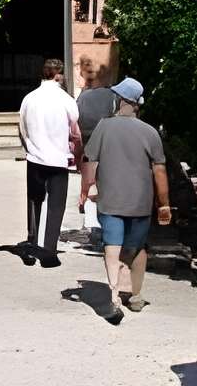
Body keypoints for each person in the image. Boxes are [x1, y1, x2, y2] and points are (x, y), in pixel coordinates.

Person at [77, 76, 168, 322]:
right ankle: (135, 296)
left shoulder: (103, 127)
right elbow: (160, 171)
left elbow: (89, 160)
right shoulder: (150, 132)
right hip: (141, 202)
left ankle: (114, 294)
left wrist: (87, 189)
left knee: (112, 245)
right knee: (137, 249)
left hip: (110, 199)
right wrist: (165, 204)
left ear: (122, 100)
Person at [14, 59, 76, 267]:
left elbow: (21, 129)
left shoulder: (28, 99)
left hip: (35, 158)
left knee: (34, 201)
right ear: (59, 76)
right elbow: (74, 128)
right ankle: (49, 248)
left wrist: (30, 147)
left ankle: (32, 243)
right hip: (58, 160)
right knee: (56, 206)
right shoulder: (66, 99)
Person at [74, 60, 121, 254]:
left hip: (88, 137)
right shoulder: (113, 96)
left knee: (89, 170)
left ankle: (85, 194)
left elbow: (77, 117)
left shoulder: (83, 96)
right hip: (108, 140)